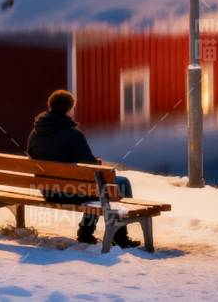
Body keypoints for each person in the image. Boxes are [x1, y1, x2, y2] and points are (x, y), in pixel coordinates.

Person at [26, 89, 140, 248]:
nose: (74, 111)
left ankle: (87, 233)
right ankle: (119, 237)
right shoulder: (73, 135)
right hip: (69, 191)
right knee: (120, 183)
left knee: (96, 190)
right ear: (68, 109)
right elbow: (91, 167)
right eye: (73, 108)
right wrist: (97, 162)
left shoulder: (35, 133)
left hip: (48, 190)